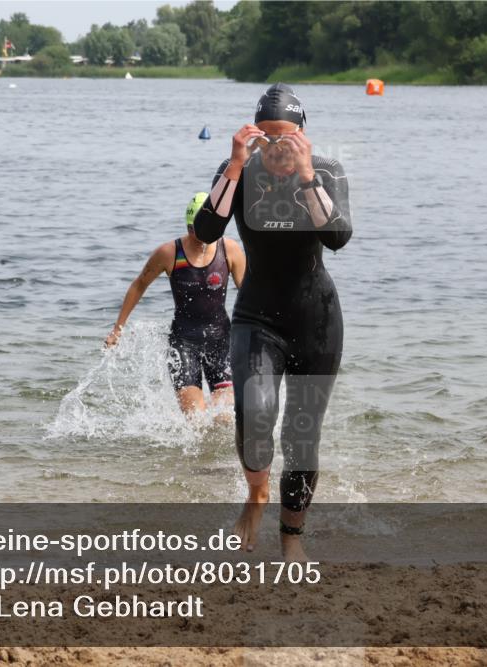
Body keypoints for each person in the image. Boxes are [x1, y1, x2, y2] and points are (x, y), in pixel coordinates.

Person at [193, 83, 352, 562]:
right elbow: (205, 232)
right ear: (252, 135)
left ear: (303, 135)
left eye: (285, 136)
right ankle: (256, 494)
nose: (275, 145)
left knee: (302, 436)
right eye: (264, 137)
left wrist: (306, 175)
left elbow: (339, 237)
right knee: (255, 415)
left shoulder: (325, 170)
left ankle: (291, 536)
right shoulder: (237, 170)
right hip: (258, 315)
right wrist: (238, 164)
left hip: (316, 318)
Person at [105, 193, 245, 415]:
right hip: (184, 342)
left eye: (200, 229)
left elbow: (247, 294)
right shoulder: (169, 253)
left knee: (225, 415)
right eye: (191, 228)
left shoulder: (229, 249)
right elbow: (139, 285)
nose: (195, 235)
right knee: (195, 418)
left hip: (221, 341)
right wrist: (117, 329)